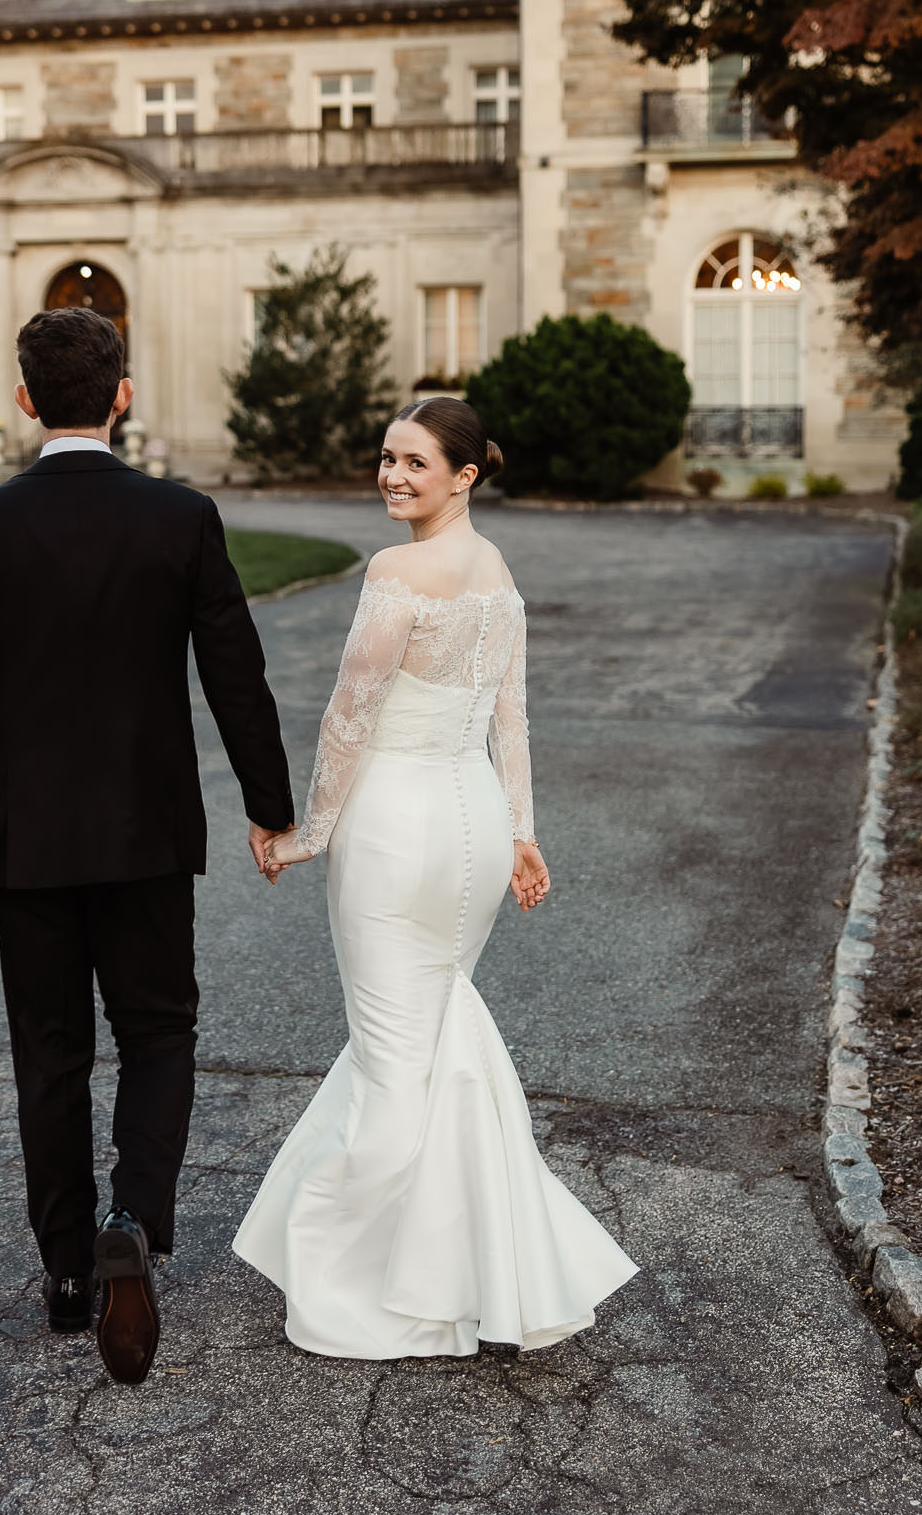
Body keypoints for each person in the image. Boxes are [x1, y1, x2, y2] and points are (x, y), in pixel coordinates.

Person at [0, 307, 293, 1386]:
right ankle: (136, 1215)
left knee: (49, 1050)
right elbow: (234, 674)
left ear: (26, 399)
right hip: (148, 829)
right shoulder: (179, 517)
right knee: (159, 1030)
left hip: (23, 842)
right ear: (121, 394)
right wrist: (271, 807)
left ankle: (69, 1273)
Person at [235, 396, 638, 1358]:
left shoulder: (397, 572)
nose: (393, 476)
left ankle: (357, 1267)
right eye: (386, 458)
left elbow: (349, 716)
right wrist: (520, 833)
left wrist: (310, 832)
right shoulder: (497, 572)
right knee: (429, 1030)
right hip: (472, 827)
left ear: (465, 474)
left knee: (390, 1052)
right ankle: (464, 1260)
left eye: (416, 463)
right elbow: (512, 720)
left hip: (394, 830)